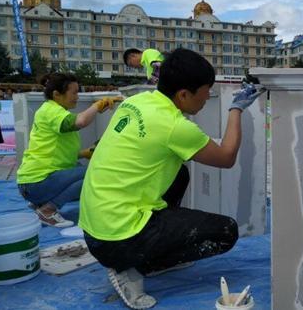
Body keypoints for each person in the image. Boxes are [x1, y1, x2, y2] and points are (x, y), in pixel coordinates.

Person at [79, 48, 264, 309]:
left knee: (180, 173)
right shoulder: (175, 126)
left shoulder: (138, 102)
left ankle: (150, 250)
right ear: (183, 94)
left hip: (94, 226)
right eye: (204, 92)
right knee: (225, 232)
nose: (206, 97)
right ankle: (134, 266)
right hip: (116, 238)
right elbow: (226, 157)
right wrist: (236, 109)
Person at [16, 73, 120, 227]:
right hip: (35, 184)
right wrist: (96, 106)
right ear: (57, 95)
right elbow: (81, 121)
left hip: (32, 184)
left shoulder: (54, 111)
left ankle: (41, 203)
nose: (77, 97)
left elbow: (54, 151)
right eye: (74, 93)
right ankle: (48, 210)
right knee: (95, 173)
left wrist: (83, 153)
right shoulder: (50, 111)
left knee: (79, 169)